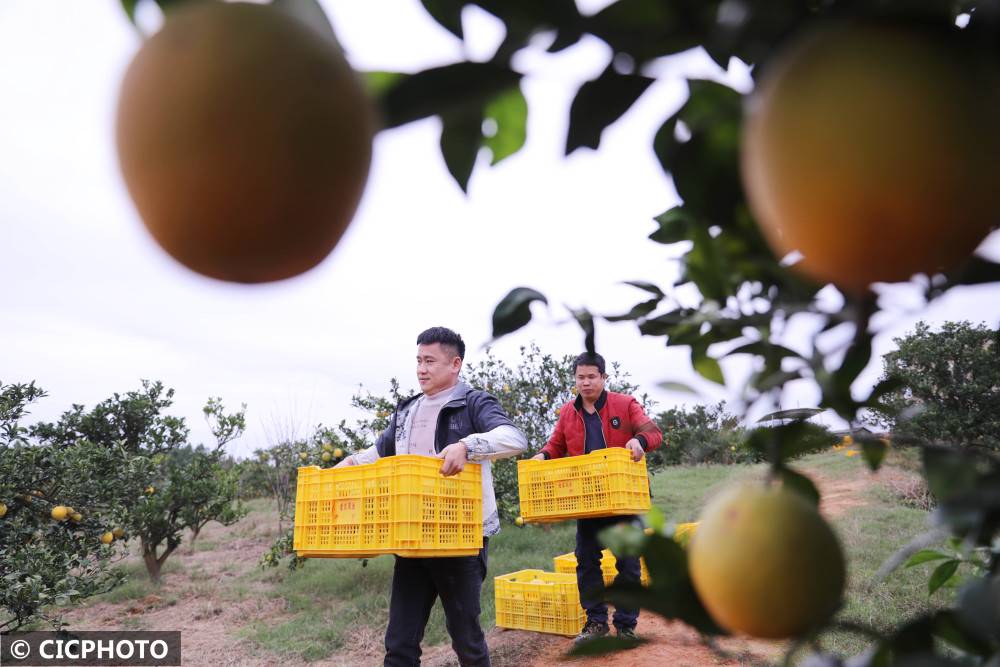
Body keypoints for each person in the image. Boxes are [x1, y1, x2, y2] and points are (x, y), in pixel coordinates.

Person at [336, 326, 527, 667]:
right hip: (413, 536)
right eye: (418, 361)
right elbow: (379, 452)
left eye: (430, 361)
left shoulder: (473, 402)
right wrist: (347, 464)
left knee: (466, 638)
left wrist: (468, 446)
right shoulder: (407, 410)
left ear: (455, 364)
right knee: (399, 642)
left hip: (461, 536)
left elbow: (513, 438)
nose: (421, 369)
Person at [531, 351, 662, 644]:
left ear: (604, 377)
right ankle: (596, 623)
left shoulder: (624, 404)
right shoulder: (568, 412)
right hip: (588, 499)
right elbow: (556, 444)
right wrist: (541, 457)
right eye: (581, 377)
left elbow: (653, 433)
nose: (586, 382)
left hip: (624, 499)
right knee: (586, 560)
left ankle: (626, 625)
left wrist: (638, 441)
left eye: (592, 377)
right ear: (575, 380)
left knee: (628, 563)